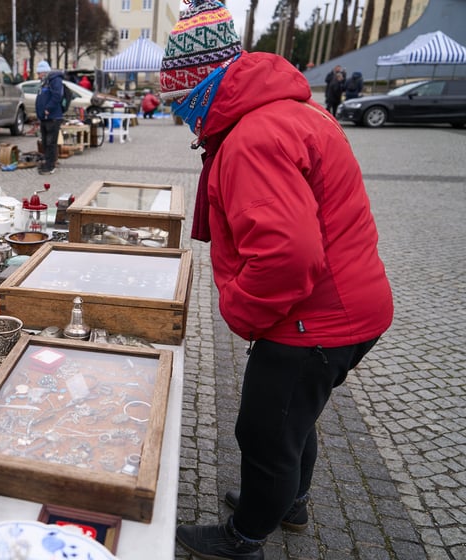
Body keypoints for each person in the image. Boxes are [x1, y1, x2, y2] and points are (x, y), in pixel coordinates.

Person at [158, 1, 393, 558]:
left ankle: (246, 534)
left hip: (316, 319)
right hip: (352, 305)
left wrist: (240, 310)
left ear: (203, 87)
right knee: (295, 420)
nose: (181, 115)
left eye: (181, 100)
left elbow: (287, 255)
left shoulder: (251, 137)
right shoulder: (289, 111)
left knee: (264, 432)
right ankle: (289, 500)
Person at [34, 60, 64, 175]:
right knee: (46, 142)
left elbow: (57, 96)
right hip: (45, 118)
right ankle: (47, 162)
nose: (38, 75)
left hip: (53, 117)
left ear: (44, 72)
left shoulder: (55, 80)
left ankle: (51, 165)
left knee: (51, 142)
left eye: (39, 73)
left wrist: (48, 108)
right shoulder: (44, 82)